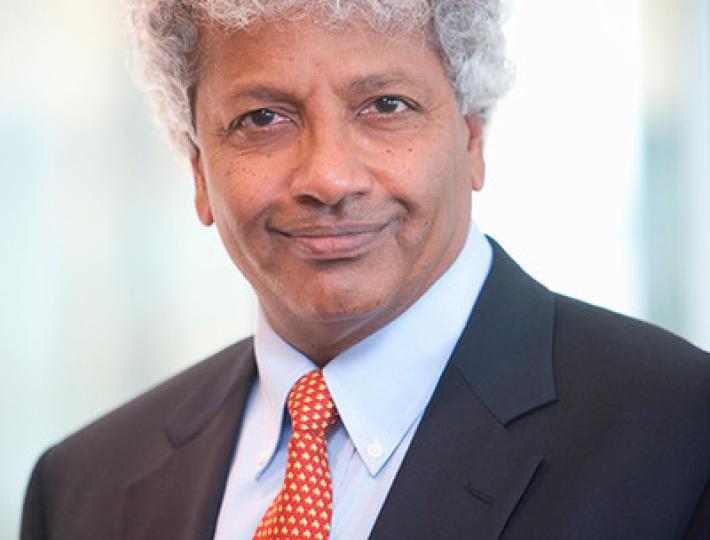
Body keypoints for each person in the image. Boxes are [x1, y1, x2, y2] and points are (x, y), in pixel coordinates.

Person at [21, 1, 710, 539]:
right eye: (263, 118)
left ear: (472, 137)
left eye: (386, 106)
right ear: (198, 168)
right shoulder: (81, 486)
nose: (328, 177)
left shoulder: (682, 434)